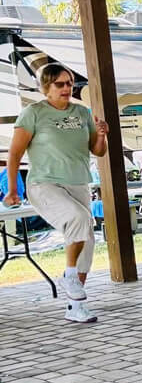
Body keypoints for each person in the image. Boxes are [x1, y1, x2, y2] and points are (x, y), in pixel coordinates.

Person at [4, 64, 108, 324]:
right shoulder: (34, 113)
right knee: (79, 220)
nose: (66, 88)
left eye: (70, 83)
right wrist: (13, 190)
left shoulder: (82, 113)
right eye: (59, 84)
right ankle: (69, 275)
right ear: (45, 87)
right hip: (44, 184)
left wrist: (102, 135)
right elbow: (15, 154)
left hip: (78, 183)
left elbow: (98, 151)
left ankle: (75, 307)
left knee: (86, 238)